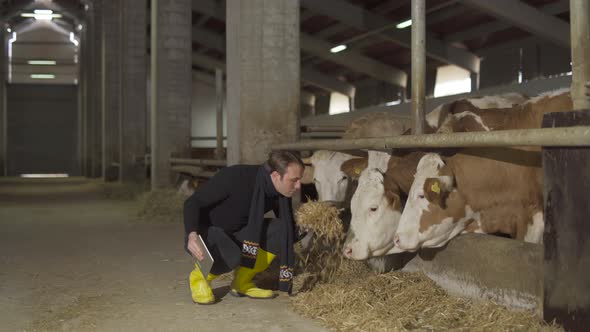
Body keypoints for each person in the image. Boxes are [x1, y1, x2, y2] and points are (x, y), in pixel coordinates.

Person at [183, 150, 304, 304]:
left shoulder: (278, 192)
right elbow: (192, 203)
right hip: (208, 233)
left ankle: (242, 283)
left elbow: (287, 228)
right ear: (275, 176)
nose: (299, 186)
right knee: (231, 253)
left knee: (283, 230)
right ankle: (199, 277)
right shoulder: (235, 177)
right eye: (294, 180)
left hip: (239, 232)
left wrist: (303, 229)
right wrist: (192, 235)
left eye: (299, 179)